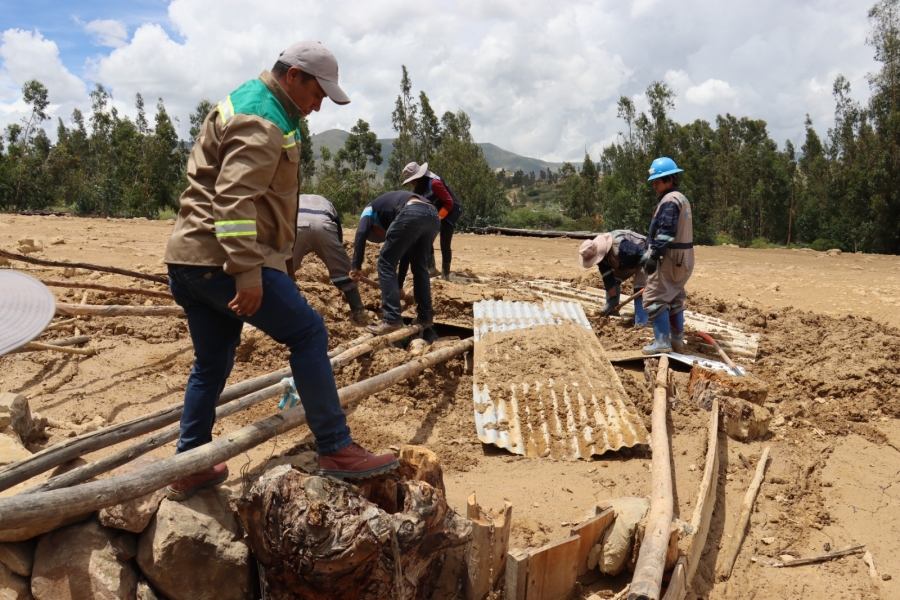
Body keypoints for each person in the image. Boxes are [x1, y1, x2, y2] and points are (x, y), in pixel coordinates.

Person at [163, 41, 398, 500]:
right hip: (223, 260)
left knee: (212, 362)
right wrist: (249, 274)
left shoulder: (255, 102)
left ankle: (190, 461)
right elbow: (233, 202)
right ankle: (335, 447)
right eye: (317, 94)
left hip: (191, 259)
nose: (317, 106)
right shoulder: (263, 117)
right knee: (308, 333)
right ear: (293, 76)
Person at [349, 190, 440, 334]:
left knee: (385, 263)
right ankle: (425, 316)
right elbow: (405, 256)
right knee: (420, 266)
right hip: (433, 215)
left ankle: (391, 319)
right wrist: (398, 286)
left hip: (412, 211)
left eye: (378, 234)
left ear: (374, 226)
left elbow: (360, 233)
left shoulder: (369, 209)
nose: (382, 235)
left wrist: (356, 266)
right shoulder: (394, 214)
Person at [641, 157, 694, 354]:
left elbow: (666, 232)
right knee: (675, 296)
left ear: (670, 180)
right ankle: (677, 340)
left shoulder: (669, 201)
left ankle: (662, 342)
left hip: (670, 256)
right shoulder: (682, 198)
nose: (654, 185)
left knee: (655, 296)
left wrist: (655, 255)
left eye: (658, 181)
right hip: (684, 256)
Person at [293, 194, 371, 325]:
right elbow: (338, 229)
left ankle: (276, 312)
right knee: (345, 272)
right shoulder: (326, 202)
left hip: (298, 226)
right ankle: (359, 313)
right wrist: (338, 252)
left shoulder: (295, 198)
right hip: (325, 226)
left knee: (283, 272)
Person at [401, 162, 462, 280]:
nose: (412, 183)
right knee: (425, 237)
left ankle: (445, 275)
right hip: (436, 211)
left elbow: (449, 202)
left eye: (412, 180)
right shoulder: (420, 187)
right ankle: (431, 269)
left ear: (419, 177)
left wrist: (438, 219)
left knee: (444, 244)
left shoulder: (435, 183)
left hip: (449, 211)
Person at [578, 230, 650, 326]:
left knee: (639, 286)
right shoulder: (602, 259)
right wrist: (611, 301)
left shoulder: (622, 247)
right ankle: (612, 307)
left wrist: (651, 279)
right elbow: (608, 277)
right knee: (614, 279)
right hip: (628, 261)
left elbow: (645, 257)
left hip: (646, 256)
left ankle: (640, 323)